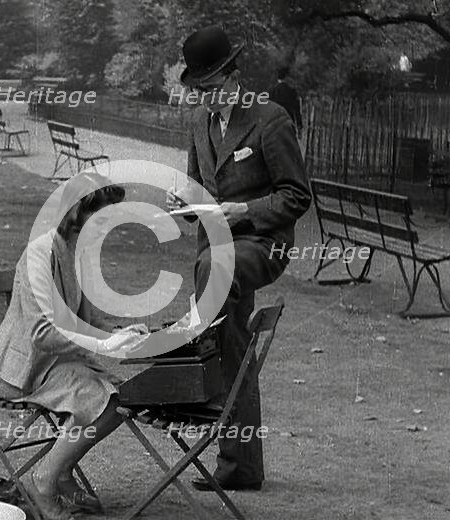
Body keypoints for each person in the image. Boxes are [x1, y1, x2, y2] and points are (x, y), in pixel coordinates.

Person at [168, 26, 311, 492]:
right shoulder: (197, 125)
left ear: (233, 77)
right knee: (234, 350)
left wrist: (245, 209)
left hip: (261, 244)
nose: (205, 99)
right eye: (198, 91)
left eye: (210, 89)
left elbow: (296, 196)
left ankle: (200, 344)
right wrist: (184, 206)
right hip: (215, 250)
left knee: (215, 280)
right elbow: (200, 195)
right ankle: (240, 467)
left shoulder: (271, 120)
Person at [0, 173, 145, 520]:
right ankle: (44, 481)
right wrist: (104, 342)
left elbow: (88, 317)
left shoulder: (75, 251)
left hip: (54, 363)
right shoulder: (39, 253)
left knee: (121, 396)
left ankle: (62, 473)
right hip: (24, 370)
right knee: (105, 400)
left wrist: (124, 333)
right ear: (76, 213)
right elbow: (41, 333)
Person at [269, 66, 303, 139]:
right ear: (286, 77)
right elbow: (296, 110)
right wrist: (299, 126)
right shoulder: (292, 91)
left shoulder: (272, 92)